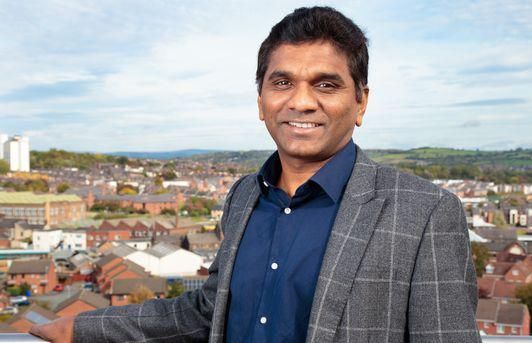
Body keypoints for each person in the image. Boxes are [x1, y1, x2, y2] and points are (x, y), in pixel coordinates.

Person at [31, 6, 480, 343]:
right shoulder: (245, 195)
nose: (300, 102)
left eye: (326, 84)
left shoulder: (425, 212)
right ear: (261, 99)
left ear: (361, 103)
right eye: (282, 82)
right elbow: (207, 312)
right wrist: (84, 327)